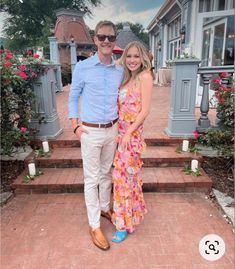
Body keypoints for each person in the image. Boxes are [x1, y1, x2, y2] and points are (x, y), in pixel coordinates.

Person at [68, 20, 123, 251]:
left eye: (110, 37)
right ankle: (94, 225)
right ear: (95, 39)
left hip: (112, 129)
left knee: (106, 174)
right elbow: (73, 97)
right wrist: (75, 126)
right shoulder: (83, 67)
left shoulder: (120, 69)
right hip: (89, 131)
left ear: (115, 40)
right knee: (91, 179)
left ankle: (104, 207)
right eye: (102, 37)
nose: (106, 41)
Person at [111, 41, 153, 243]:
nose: (132, 60)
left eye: (136, 56)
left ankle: (123, 225)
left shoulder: (145, 77)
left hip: (132, 137)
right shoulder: (126, 79)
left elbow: (144, 111)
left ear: (142, 58)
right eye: (129, 56)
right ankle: (127, 218)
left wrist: (128, 132)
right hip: (119, 135)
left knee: (122, 179)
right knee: (125, 179)